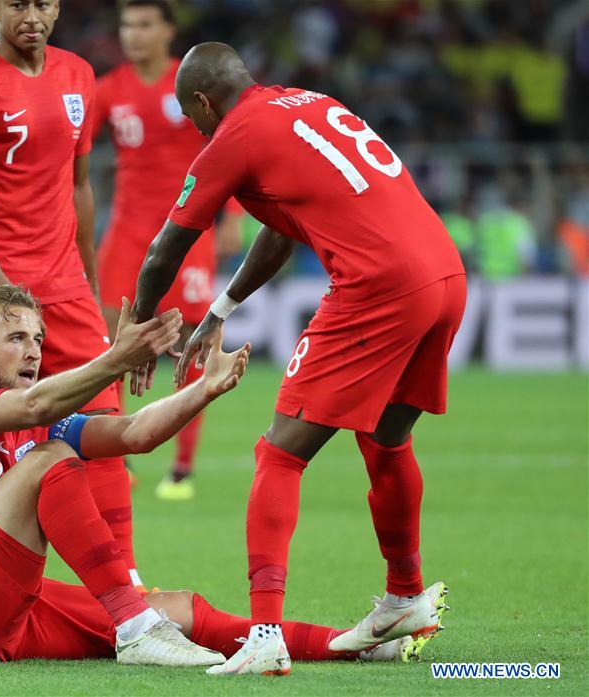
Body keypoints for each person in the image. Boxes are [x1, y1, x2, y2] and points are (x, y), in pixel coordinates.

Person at [0, 284, 443, 667]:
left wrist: (203, 390)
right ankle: (135, 630)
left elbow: (132, 434)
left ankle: (357, 646)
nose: (33, 352)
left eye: (37, 339)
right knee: (49, 461)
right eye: (16, 339)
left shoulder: (34, 417)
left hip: (2, 605)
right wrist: (116, 360)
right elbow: (35, 406)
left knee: (177, 610)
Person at [131, 43, 463, 675]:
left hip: (378, 284)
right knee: (386, 438)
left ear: (203, 101)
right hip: (444, 272)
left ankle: (264, 638)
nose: (195, 129)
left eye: (191, 116)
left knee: (279, 453)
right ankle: (404, 596)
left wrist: (138, 329)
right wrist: (221, 309)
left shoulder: (233, 135)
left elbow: (164, 250)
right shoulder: (302, 104)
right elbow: (283, 229)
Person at [0, 0, 144, 589]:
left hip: (65, 283)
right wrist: (2, 291)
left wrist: (90, 284)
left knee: (104, 423)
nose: (33, 15)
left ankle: (127, 582)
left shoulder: (78, 75)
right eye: (19, 3)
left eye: (44, 3)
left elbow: (80, 187)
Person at [94, 0, 235, 501]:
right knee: (108, 339)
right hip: (127, 233)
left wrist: (234, 213)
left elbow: (232, 145)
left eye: (144, 24)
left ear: (168, 31)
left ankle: (181, 468)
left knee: (194, 338)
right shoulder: (108, 90)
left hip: (188, 232)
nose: (133, 34)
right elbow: (70, 148)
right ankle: (115, 457)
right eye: (126, 25)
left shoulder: (191, 83)